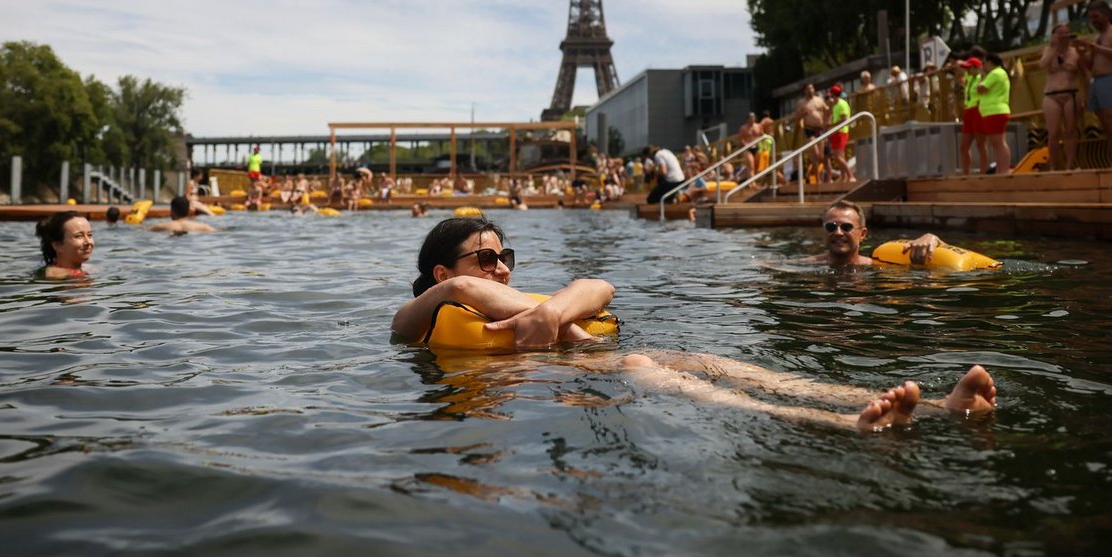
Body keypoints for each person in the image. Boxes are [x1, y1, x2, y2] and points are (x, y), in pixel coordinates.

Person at [393, 216, 998, 432]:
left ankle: (938, 408)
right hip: (561, 387)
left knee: (717, 362)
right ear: (446, 267)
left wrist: (550, 311)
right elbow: (457, 289)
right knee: (638, 364)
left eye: (506, 256)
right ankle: (838, 421)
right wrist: (548, 314)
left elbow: (600, 286)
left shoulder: (529, 298)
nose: (500, 267)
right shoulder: (422, 315)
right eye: (487, 256)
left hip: (573, 371)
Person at [808, 199, 948, 269]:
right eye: (831, 227)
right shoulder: (807, 265)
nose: (838, 233)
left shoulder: (878, 265)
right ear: (824, 232)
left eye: (846, 227)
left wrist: (933, 239)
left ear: (862, 234)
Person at [1076, 0, 1112, 168]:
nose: (1094, 21)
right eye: (1091, 18)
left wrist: (1092, 46)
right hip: (1097, 81)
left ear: (1106, 15)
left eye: (1096, 16)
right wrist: (1080, 51)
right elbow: (1090, 65)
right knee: (1106, 125)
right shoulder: (1097, 37)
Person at [1040, 23, 1087, 171]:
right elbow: (1042, 64)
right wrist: (1054, 47)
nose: (1063, 36)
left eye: (1066, 33)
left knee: (1071, 130)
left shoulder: (1074, 52)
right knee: (1053, 132)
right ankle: (1053, 165)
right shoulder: (1048, 50)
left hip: (1071, 93)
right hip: (1052, 95)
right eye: (1060, 33)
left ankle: (1070, 165)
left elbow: (1084, 72)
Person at [974, 51, 1011, 174]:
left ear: (989, 62)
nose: (983, 66)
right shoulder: (999, 73)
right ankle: (1001, 170)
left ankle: (1003, 170)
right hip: (993, 112)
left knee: (998, 143)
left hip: (995, 111)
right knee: (997, 143)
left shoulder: (995, 73)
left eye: (984, 63)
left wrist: (982, 76)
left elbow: (981, 88)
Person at [36, 210, 94, 279]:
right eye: (78, 236)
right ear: (57, 245)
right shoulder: (55, 276)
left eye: (89, 235)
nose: (88, 242)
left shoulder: (89, 268)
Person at [956, 55, 985, 176]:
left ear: (976, 68)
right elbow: (958, 67)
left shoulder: (981, 78)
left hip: (977, 110)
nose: (967, 70)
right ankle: (966, 173)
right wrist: (962, 64)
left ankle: (983, 173)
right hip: (968, 110)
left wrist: (980, 68)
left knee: (980, 143)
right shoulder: (969, 77)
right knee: (964, 146)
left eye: (970, 68)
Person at [793, 82, 828, 182]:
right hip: (809, 129)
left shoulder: (819, 100)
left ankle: (810, 174)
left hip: (820, 129)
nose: (810, 90)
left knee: (821, 157)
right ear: (805, 91)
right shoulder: (801, 103)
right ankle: (817, 179)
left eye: (812, 88)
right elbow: (796, 118)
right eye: (808, 88)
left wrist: (827, 123)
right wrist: (801, 114)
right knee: (815, 154)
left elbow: (826, 112)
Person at [825, 85, 856, 183]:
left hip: (841, 132)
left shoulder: (842, 104)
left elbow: (844, 120)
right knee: (839, 157)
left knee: (838, 157)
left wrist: (831, 125)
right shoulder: (835, 105)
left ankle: (850, 176)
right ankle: (843, 177)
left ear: (833, 95)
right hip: (836, 132)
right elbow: (828, 114)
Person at [146, 195, 217, 234]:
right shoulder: (203, 227)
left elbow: (145, 231)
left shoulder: (161, 226)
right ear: (188, 211)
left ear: (172, 211)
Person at [738, 112, 760, 181]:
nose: (752, 119)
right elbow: (740, 139)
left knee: (756, 165)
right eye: (751, 118)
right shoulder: (743, 128)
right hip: (748, 148)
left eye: (753, 118)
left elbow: (762, 135)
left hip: (757, 147)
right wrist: (745, 145)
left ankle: (751, 180)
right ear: (748, 119)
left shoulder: (758, 126)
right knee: (751, 165)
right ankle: (752, 183)